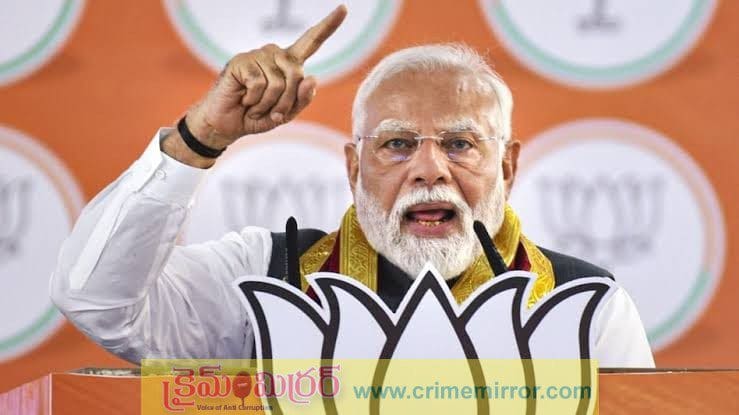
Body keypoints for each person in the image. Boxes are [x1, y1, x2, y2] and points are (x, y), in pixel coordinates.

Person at [50, 5, 654, 367]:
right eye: (396, 144)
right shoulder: (266, 277)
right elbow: (97, 301)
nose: (429, 169)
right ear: (353, 168)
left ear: (509, 167)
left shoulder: (585, 305)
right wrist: (200, 137)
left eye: (459, 143)